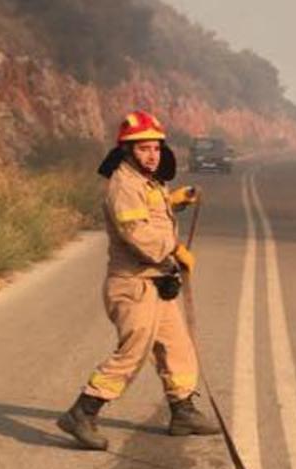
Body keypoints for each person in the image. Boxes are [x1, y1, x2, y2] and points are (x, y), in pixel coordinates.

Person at [58, 110, 220, 450]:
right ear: (128, 150)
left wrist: (175, 202)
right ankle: (83, 411)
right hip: (132, 285)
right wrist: (176, 249)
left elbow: (151, 215)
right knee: (132, 354)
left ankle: (183, 411)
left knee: (177, 346)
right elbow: (137, 234)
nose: (152, 155)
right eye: (144, 149)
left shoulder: (148, 182)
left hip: (155, 282)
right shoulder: (123, 184)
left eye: (156, 149)